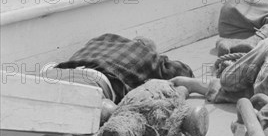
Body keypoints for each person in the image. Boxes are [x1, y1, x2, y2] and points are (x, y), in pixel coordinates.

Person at [44, 33, 194, 108]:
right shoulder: (147, 56)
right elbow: (184, 72)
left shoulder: (104, 38)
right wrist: (160, 58)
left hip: (57, 72)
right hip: (93, 83)